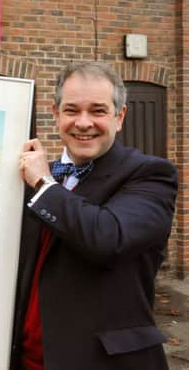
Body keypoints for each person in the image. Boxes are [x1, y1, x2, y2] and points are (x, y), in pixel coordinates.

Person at [12, 61, 178, 370]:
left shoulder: (151, 175)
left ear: (120, 117)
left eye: (98, 111)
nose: (84, 122)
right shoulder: (30, 177)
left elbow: (107, 237)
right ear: (56, 113)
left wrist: (43, 184)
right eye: (72, 110)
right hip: (27, 360)